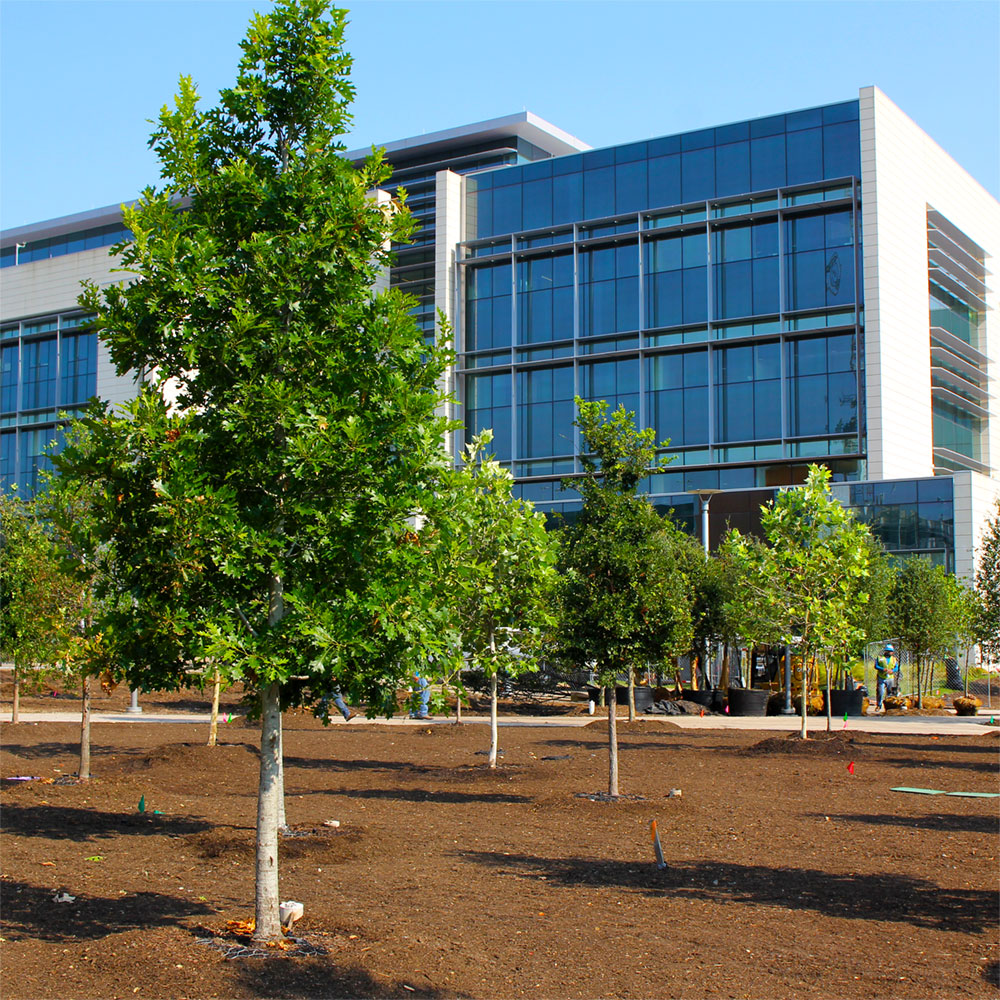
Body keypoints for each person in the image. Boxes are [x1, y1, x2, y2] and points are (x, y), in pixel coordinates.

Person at [874, 644, 899, 712]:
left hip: (890, 678)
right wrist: (882, 669)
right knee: (880, 692)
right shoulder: (880, 658)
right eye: (889, 651)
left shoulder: (894, 659)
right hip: (881, 677)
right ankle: (879, 705)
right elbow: (876, 666)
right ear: (886, 651)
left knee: (889, 693)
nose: (890, 652)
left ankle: (888, 707)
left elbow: (896, 667)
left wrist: (892, 670)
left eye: (891, 651)